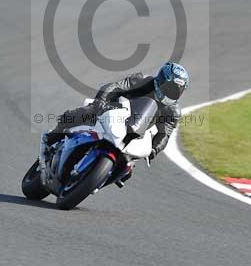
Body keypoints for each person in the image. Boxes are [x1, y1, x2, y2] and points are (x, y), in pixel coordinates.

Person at [40, 62, 189, 184]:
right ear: (161, 80)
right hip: (113, 110)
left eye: (176, 91)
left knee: (127, 171)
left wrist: (154, 150)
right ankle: (52, 136)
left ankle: (94, 180)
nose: (171, 93)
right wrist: (101, 102)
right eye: (169, 88)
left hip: (134, 131)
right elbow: (115, 86)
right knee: (86, 112)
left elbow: (165, 134)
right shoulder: (141, 80)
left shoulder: (172, 112)